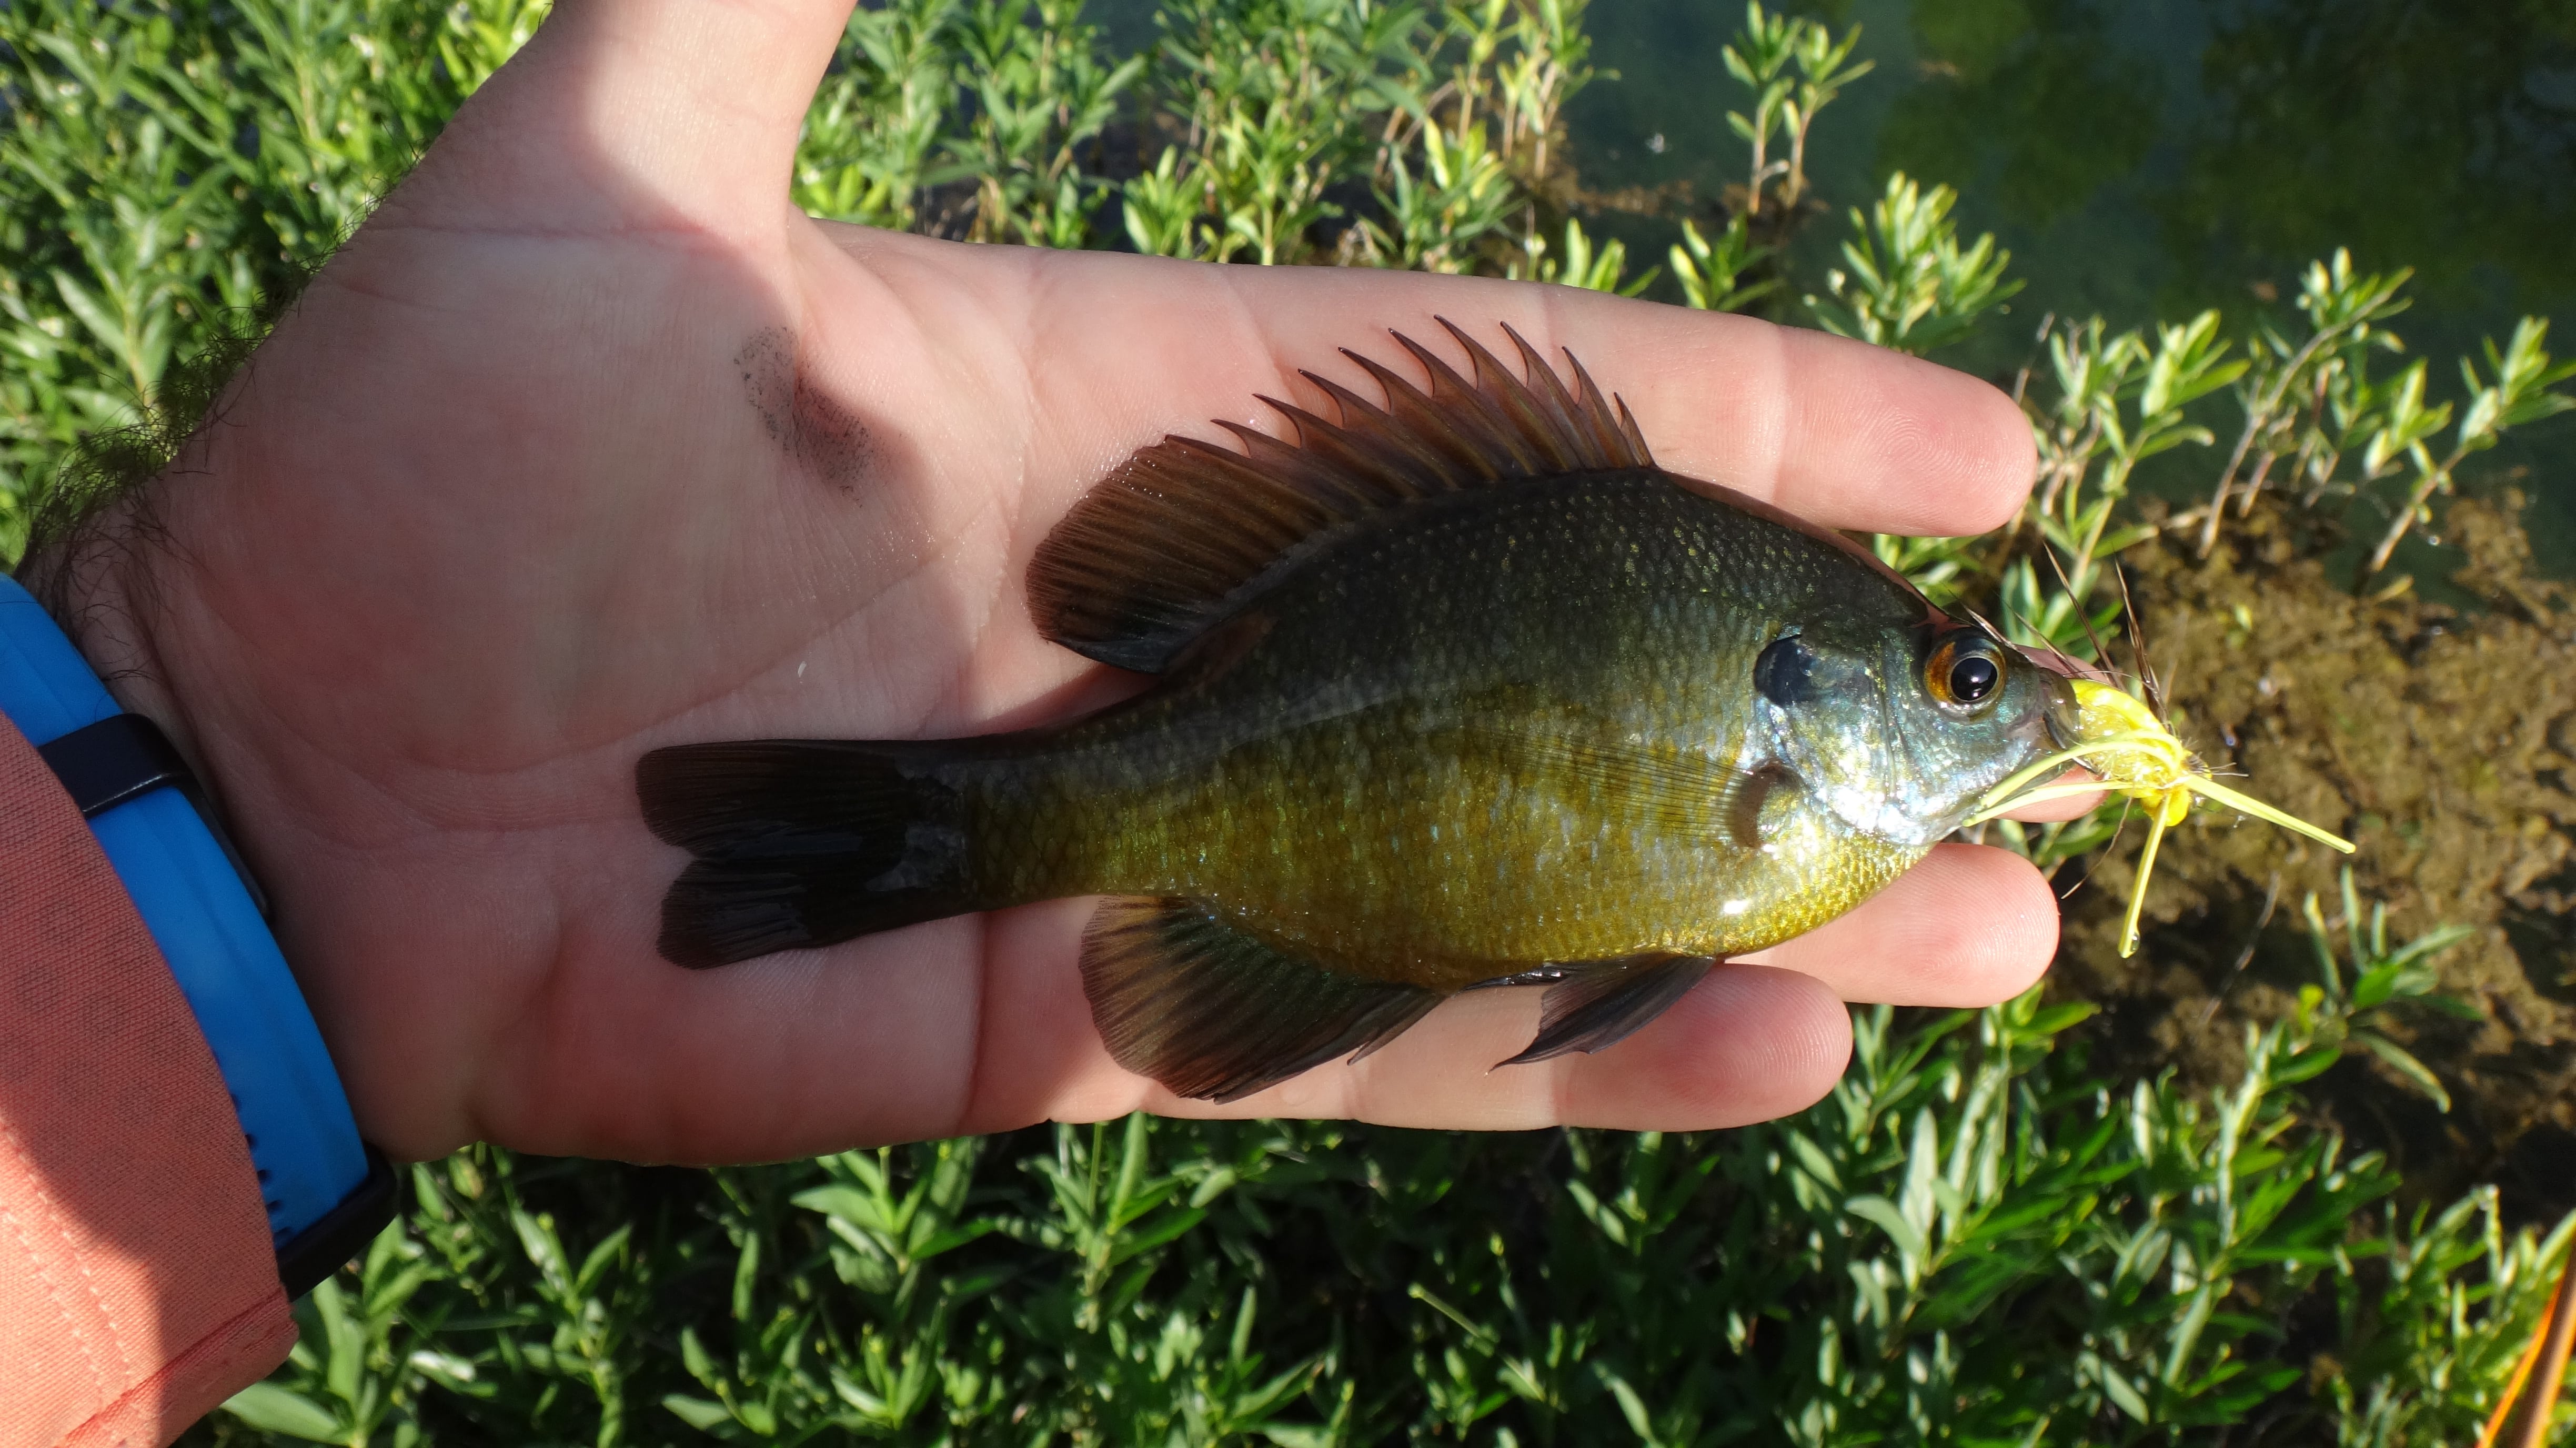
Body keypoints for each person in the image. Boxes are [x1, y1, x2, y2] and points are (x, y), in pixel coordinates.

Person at [0, 2, 2087, 1441]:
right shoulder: (1775, 785)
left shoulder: (1784, 789)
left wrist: (204, 770)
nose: (2005, 707)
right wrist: (233, 753)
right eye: (1966, 677)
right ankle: (960, 825)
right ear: (1802, 697)